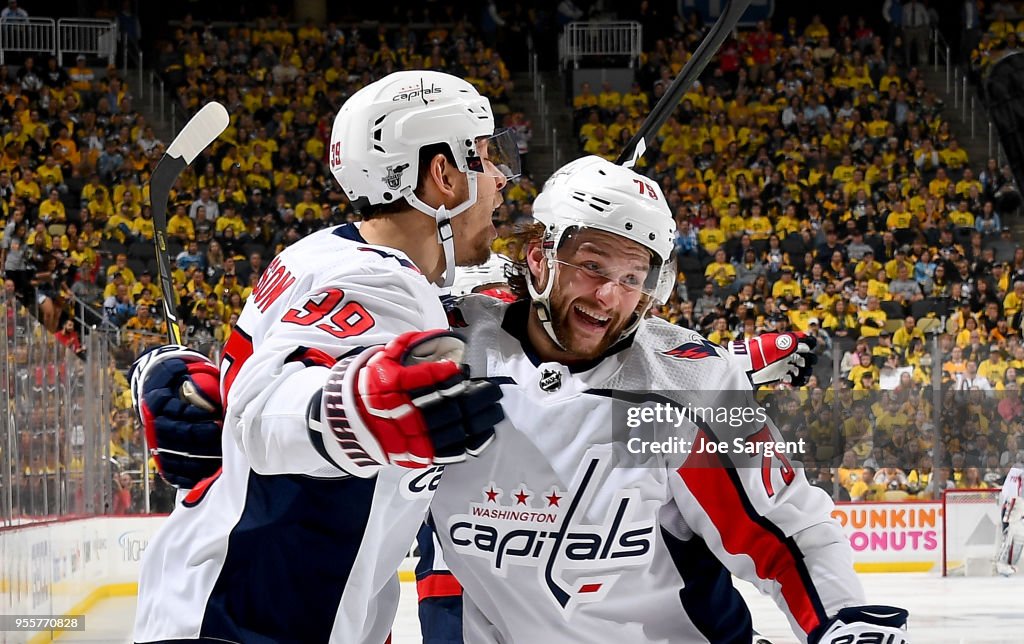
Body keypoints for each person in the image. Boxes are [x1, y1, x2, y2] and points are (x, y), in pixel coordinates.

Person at [417, 156, 909, 643]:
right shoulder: (448, 348)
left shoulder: (689, 387)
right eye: (592, 266)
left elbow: (784, 526)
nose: (609, 295)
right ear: (539, 257)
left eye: (632, 278)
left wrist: (846, 620)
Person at [129, 70, 518, 643]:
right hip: (247, 621)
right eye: (484, 157)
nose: (502, 179)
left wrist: (158, 370)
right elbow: (268, 410)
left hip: (236, 607)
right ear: (443, 176)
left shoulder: (318, 253)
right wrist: (356, 407)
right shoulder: (374, 282)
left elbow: (255, 381)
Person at [995, 464, 1023, 576]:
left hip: (1015, 505)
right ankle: (1002, 564)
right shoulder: (1016, 470)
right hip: (1013, 505)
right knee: (1009, 535)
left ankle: (1006, 564)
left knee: (1017, 537)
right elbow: (1010, 493)